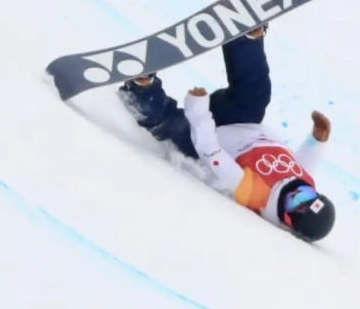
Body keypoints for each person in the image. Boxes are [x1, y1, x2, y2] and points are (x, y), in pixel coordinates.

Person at [118, 23, 336, 242]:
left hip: (202, 140)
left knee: (171, 126)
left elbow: (210, 151)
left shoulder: (257, 194)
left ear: (288, 220)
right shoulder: (302, 182)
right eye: (308, 194)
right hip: (240, 121)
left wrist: (199, 112)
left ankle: (140, 90)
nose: (297, 193)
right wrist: (318, 140)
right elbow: (305, 165)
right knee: (256, 95)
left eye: (296, 203)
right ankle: (245, 40)